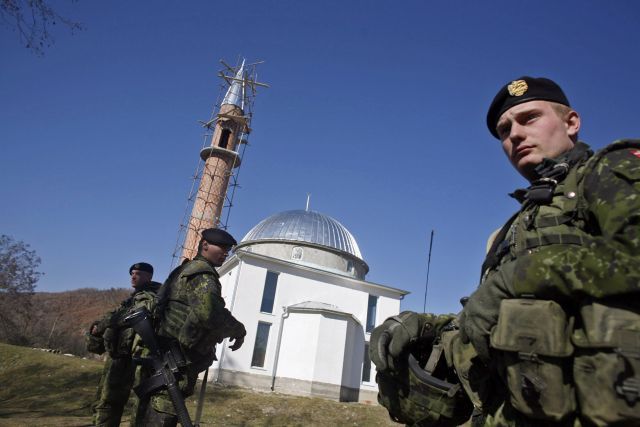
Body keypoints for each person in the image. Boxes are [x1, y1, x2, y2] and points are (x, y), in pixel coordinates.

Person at [370, 77, 640, 426]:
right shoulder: (512, 228)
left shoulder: (608, 171)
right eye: (504, 130)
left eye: (529, 118)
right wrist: (428, 327)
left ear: (571, 122)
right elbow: (491, 318)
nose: (514, 134)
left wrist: (514, 279)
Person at [133, 228, 246, 426]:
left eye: (228, 249)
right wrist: (238, 330)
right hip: (175, 360)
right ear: (204, 245)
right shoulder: (203, 275)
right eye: (222, 247)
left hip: (162, 353)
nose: (226, 253)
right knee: (163, 410)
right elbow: (210, 313)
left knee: (148, 411)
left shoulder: (182, 271)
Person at [87, 262, 161, 427]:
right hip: (119, 355)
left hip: (128, 358)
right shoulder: (133, 298)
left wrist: (107, 321)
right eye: (132, 273)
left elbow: (135, 314)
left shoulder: (150, 296)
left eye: (138, 274)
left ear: (149, 277)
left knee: (110, 401)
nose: (133, 277)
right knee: (104, 400)